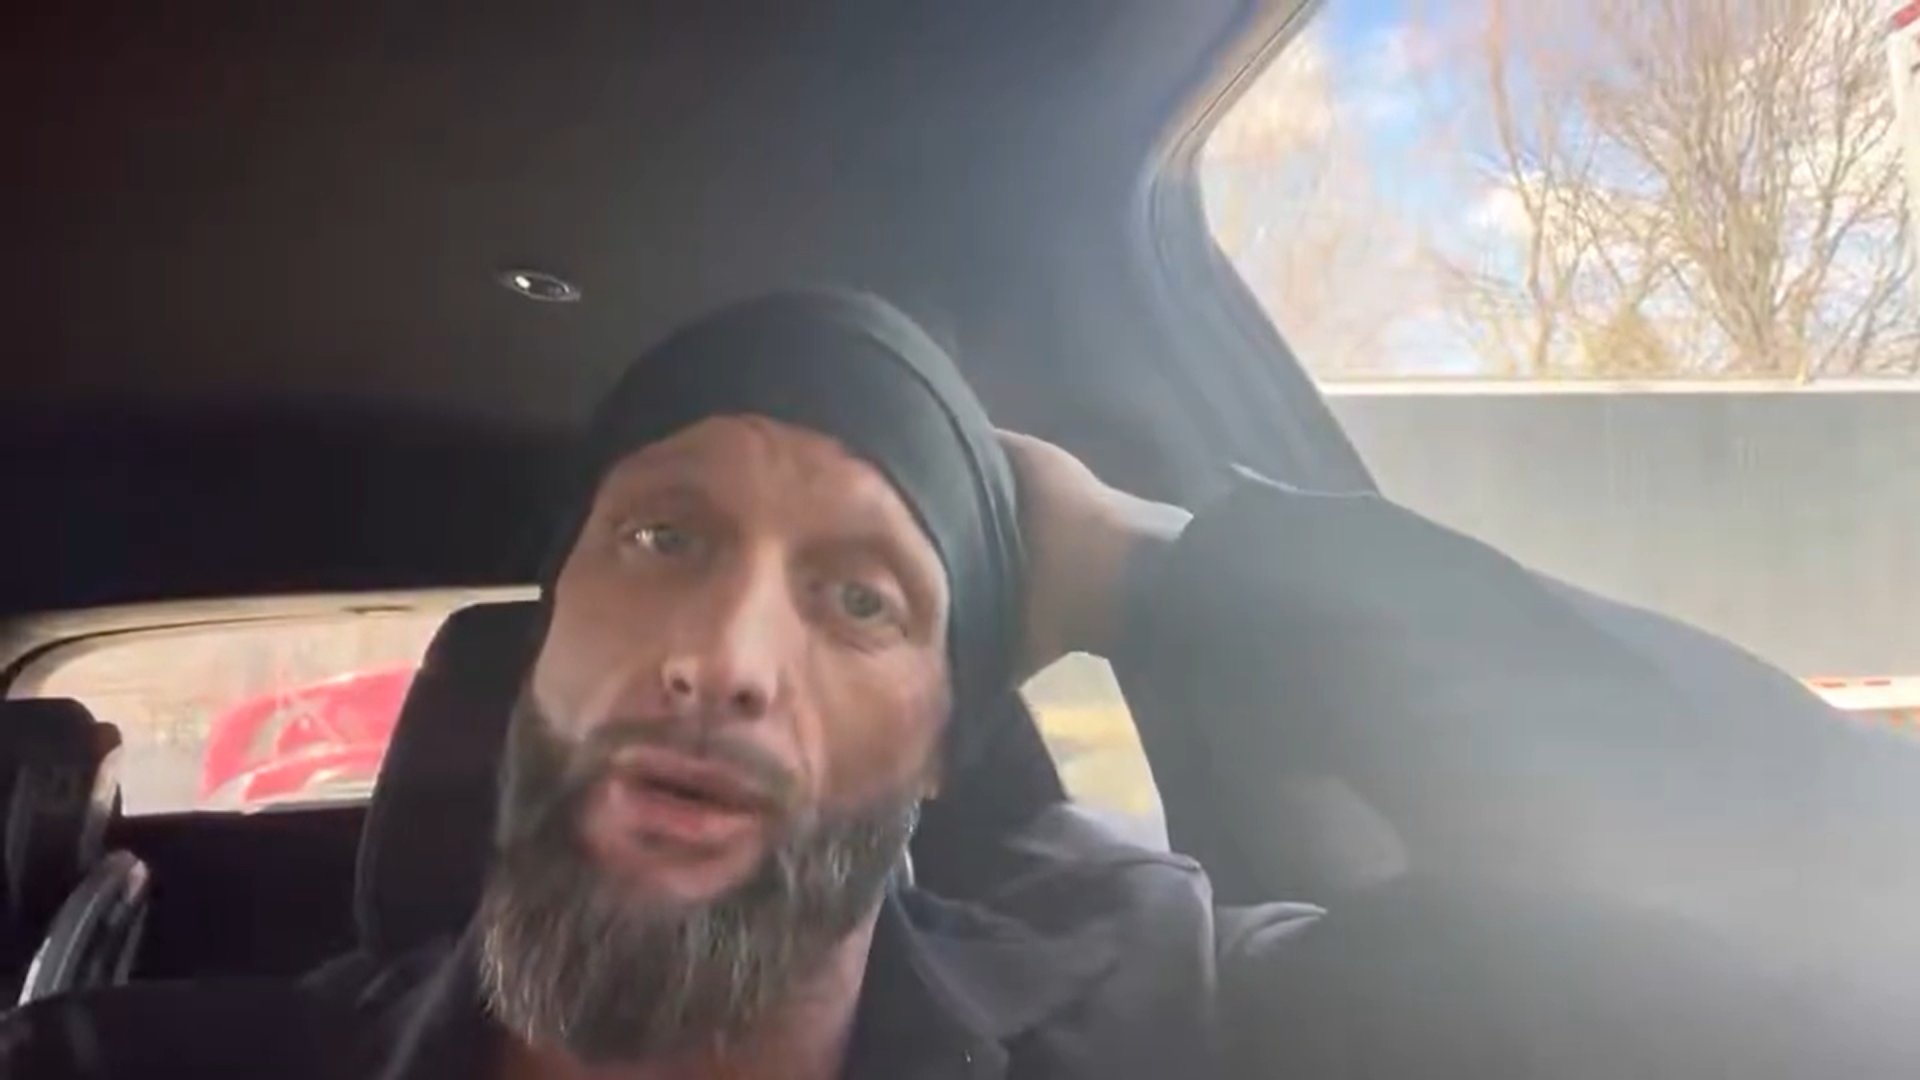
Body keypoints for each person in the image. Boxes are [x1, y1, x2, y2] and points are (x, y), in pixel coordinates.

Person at [7, 289, 1920, 1078]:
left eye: (863, 601)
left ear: (945, 743)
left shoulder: (1180, 1029)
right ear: (542, 639)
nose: (723, 659)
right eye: (661, 537)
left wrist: (1155, 569)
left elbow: (1861, 911)